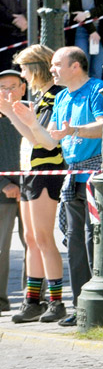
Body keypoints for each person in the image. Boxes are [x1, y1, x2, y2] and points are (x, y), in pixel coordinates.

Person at [10, 47, 103, 326]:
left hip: (95, 172)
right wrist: (28, 122)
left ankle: (94, 302)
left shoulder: (98, 89)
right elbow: (50, 142)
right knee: (74, 242)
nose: (51, 69)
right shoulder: (61, 96)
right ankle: (79, 306)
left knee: (91, 240)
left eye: (56, 65)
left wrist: (74, 130)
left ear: (76, 66)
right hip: (71, 175)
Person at [0, 47, 65, 323]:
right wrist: (8, 111)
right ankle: (32, 300)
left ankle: (57, 301)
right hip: (30, 170)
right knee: (30, 239)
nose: (23, 76)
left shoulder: (54, 96)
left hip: (47, 170)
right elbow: (30, 135)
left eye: (25, 70)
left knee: (43, 237)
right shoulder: (40, 97)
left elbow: (44, 139)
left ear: (35, 68)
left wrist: (15, 114)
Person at [0, 69, 21, 315]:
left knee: (36, 245)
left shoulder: (29, 113)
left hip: (31, 191)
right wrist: (4, 184)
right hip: (2, 193)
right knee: (2, 248)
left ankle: (34, 298)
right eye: (3, 87)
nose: (8, 92)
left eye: (13, 86)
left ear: (23, 89)